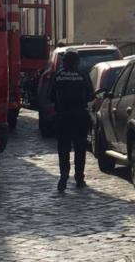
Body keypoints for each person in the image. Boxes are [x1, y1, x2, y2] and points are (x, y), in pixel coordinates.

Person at [50, 50, 94, 192]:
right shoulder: (82, 75)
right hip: (79, 116)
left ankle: (64, 175)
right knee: (80, 148)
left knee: (63, 148)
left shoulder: (58, 76)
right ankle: (79, 178)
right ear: (77, 62)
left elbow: (50, 96)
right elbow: (90, 96)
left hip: (62, 117)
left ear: (64, 62)